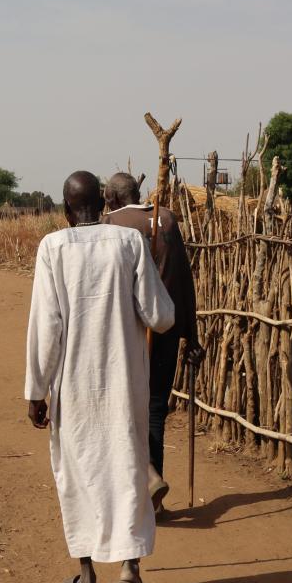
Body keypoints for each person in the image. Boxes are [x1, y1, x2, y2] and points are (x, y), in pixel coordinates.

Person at [25, 170, 175, 583]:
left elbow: (45, 326)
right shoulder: (127, 244)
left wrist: (35, 390)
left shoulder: (52, 248)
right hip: (124, 383)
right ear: (104, 206)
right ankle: (130, 571)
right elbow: (159, 314)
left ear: (66, 210)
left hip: (72, 387)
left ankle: (87, 581)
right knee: (128, 471)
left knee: (79, 474)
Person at [102, 172, 203, 512]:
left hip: (127, 331)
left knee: (124, 408)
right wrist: (191, 332)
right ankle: (152, 494)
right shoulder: (169, 218)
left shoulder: (111, 222)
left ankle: (135, 490)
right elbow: (183, 278)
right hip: (166, 326)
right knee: (156, 407)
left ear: (112, 198)